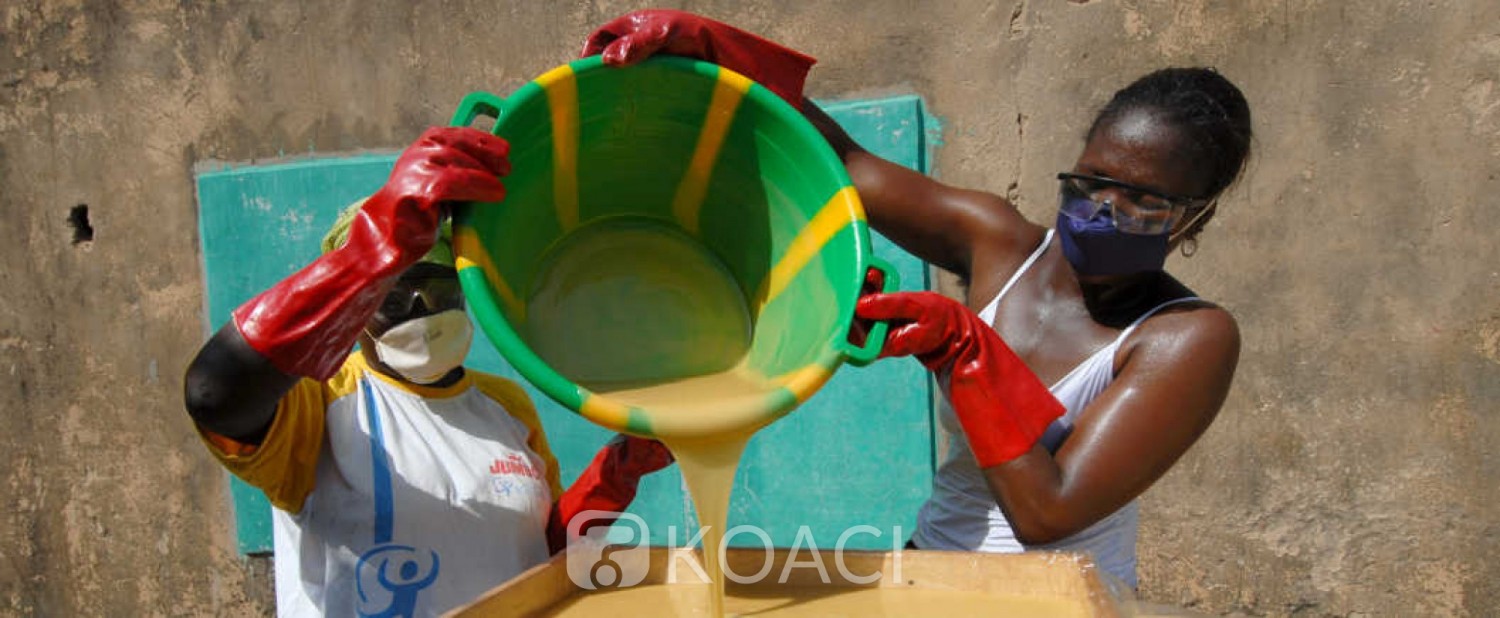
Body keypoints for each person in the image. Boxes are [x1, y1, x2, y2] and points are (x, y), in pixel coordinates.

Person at [582, 10, 1252, 588]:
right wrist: (716, 51)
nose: (1103, 208)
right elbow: (845, 164)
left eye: (1142, 199)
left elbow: (1048, 511)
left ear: (1196, 218)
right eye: (1092, 179)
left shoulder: (1186, 337)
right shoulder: (999, 245)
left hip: (1059, 594)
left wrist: (964, 351)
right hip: (933, 569)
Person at [183, 126, 673, 616]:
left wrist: (618, 472)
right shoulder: (322, 403)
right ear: (355, 311)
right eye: (392, 297)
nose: (422, 308)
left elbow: (537, 554)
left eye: (439, 288)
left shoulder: (506, 407)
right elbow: (215, 393)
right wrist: (372, 252)